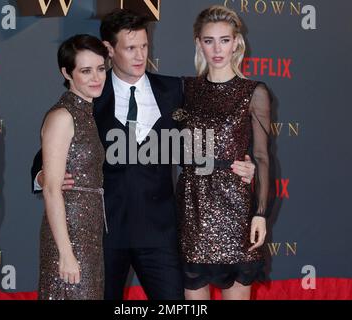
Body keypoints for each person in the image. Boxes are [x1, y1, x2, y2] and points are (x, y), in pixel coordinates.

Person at [32, 9, 255, 300]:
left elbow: (215, 129)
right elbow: (53, 146)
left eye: (144, 46)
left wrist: (242, 161)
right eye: (130, 48)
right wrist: (42, 176)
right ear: (110, 50)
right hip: (104, 233)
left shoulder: (175, 90)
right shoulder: (93, 95)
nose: (140, 56)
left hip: (160, 232)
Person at [176, 5, 271, 300]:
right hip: (192, 205)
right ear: (198, 44)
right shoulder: (184, 90)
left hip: (236, 208)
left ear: (236, 43)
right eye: (209, 40)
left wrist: (260, 214)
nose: (217, 49)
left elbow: (263, 157)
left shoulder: (254, 92)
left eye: (225, 40)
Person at [37, 34, 108, 300]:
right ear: (66, 73)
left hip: (90, 233)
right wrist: (66, 253)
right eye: (86, 71)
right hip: (69, 235)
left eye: (100, 69)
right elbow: (52, 191)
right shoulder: (62, 116)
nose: (96, 78)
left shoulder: (89, 113)